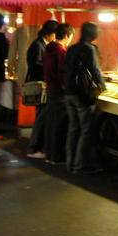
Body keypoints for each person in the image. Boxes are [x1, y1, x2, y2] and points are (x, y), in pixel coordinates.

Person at [64, 22, 106, 173]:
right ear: (92, 34)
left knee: (73, 129)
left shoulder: (72, 48)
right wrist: (102, 85)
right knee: (86, 130)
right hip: (82, 94)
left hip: (68, 93)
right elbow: (94, 69)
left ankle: (70, 163)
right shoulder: (89, 48)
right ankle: (80, 165)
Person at [42, 23, 75, 163]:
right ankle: (56, 156)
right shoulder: (61, 52)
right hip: (59, 91)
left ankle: (49, 154)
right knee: (59, 124)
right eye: (71, 37)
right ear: (67, 35)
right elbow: (62, 73)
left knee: (51, 122)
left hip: (50, 88)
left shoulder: (48, 48)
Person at [26, 20, 59, 159]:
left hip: (42, 84)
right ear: (50, 34)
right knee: (40, 116)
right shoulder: (38, 45)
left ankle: (37, 146)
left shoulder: (41, 44)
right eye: (54, 35)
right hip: (39, 84)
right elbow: (36, 65)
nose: (55, 38)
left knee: (41, 116)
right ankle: (34, 148)